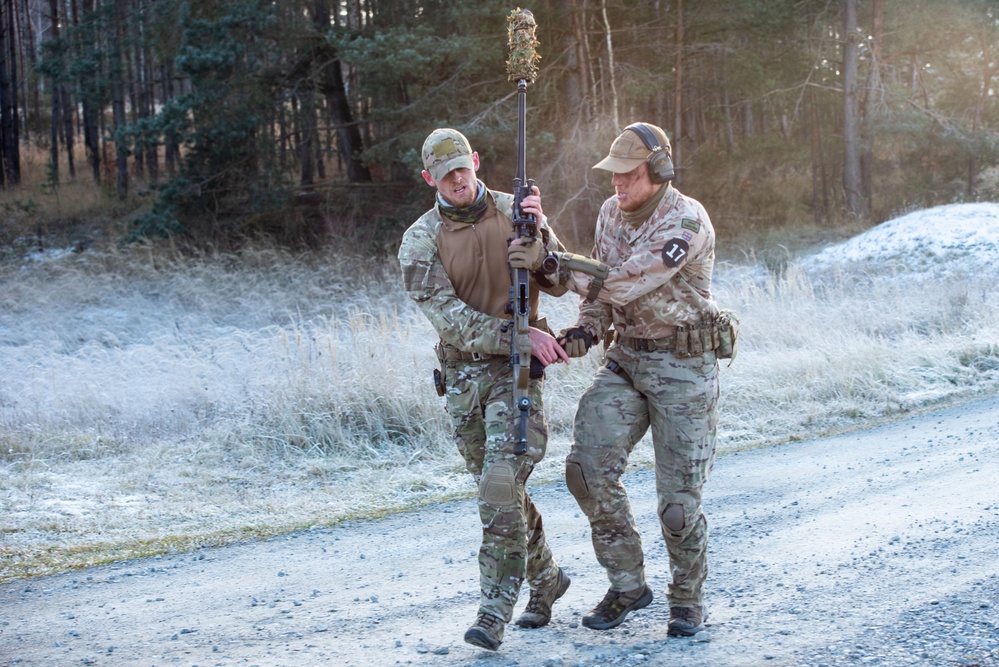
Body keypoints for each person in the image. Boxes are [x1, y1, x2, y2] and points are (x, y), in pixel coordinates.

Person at [508, 121, 728, 637]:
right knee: (585, 471)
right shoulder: (611, 213)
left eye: (629, 176)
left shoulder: (686, 222)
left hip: (684, 369)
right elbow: (597, 292)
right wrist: (586, 328)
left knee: (677, 503)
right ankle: (628, 584)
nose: (618, 186)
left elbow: (625, 282)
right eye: (614, 176)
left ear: (659, 171)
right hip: (627, 360)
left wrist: (552, 258)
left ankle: (687, 599)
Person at [397, 128, 573, 651]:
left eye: (463, 166)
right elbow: (451, 321)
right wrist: (522, 333)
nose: (457, 178)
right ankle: (547, 580)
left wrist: (539, 241)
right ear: (429, 177)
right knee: (504, 492)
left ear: (476, 161)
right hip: (462, 381)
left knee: (499, 484)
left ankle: (493, 611)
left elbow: (561, 280)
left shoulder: (517, 211)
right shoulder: (419, 240)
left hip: (515, 375)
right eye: (444, 171)